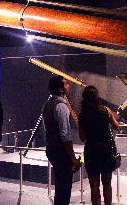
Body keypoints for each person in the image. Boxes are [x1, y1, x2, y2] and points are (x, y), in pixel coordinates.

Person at [42, 75, 81, 205]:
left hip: (51, 148)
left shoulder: (47, 105)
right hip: (60, 151)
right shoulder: (61, 107)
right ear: (60, 89)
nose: (68, 85)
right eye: (65, 84)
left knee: (60, 185)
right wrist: (73, 158)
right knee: (64, 188)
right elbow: (65, 135)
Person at [78, 85, 120, 205]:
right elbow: (116, 126)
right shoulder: (106, 111)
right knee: (107, 185)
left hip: (91, 151)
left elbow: (82, 138)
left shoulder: (82, 115)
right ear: (97, 97)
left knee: (94, 187)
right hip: (107, 150)